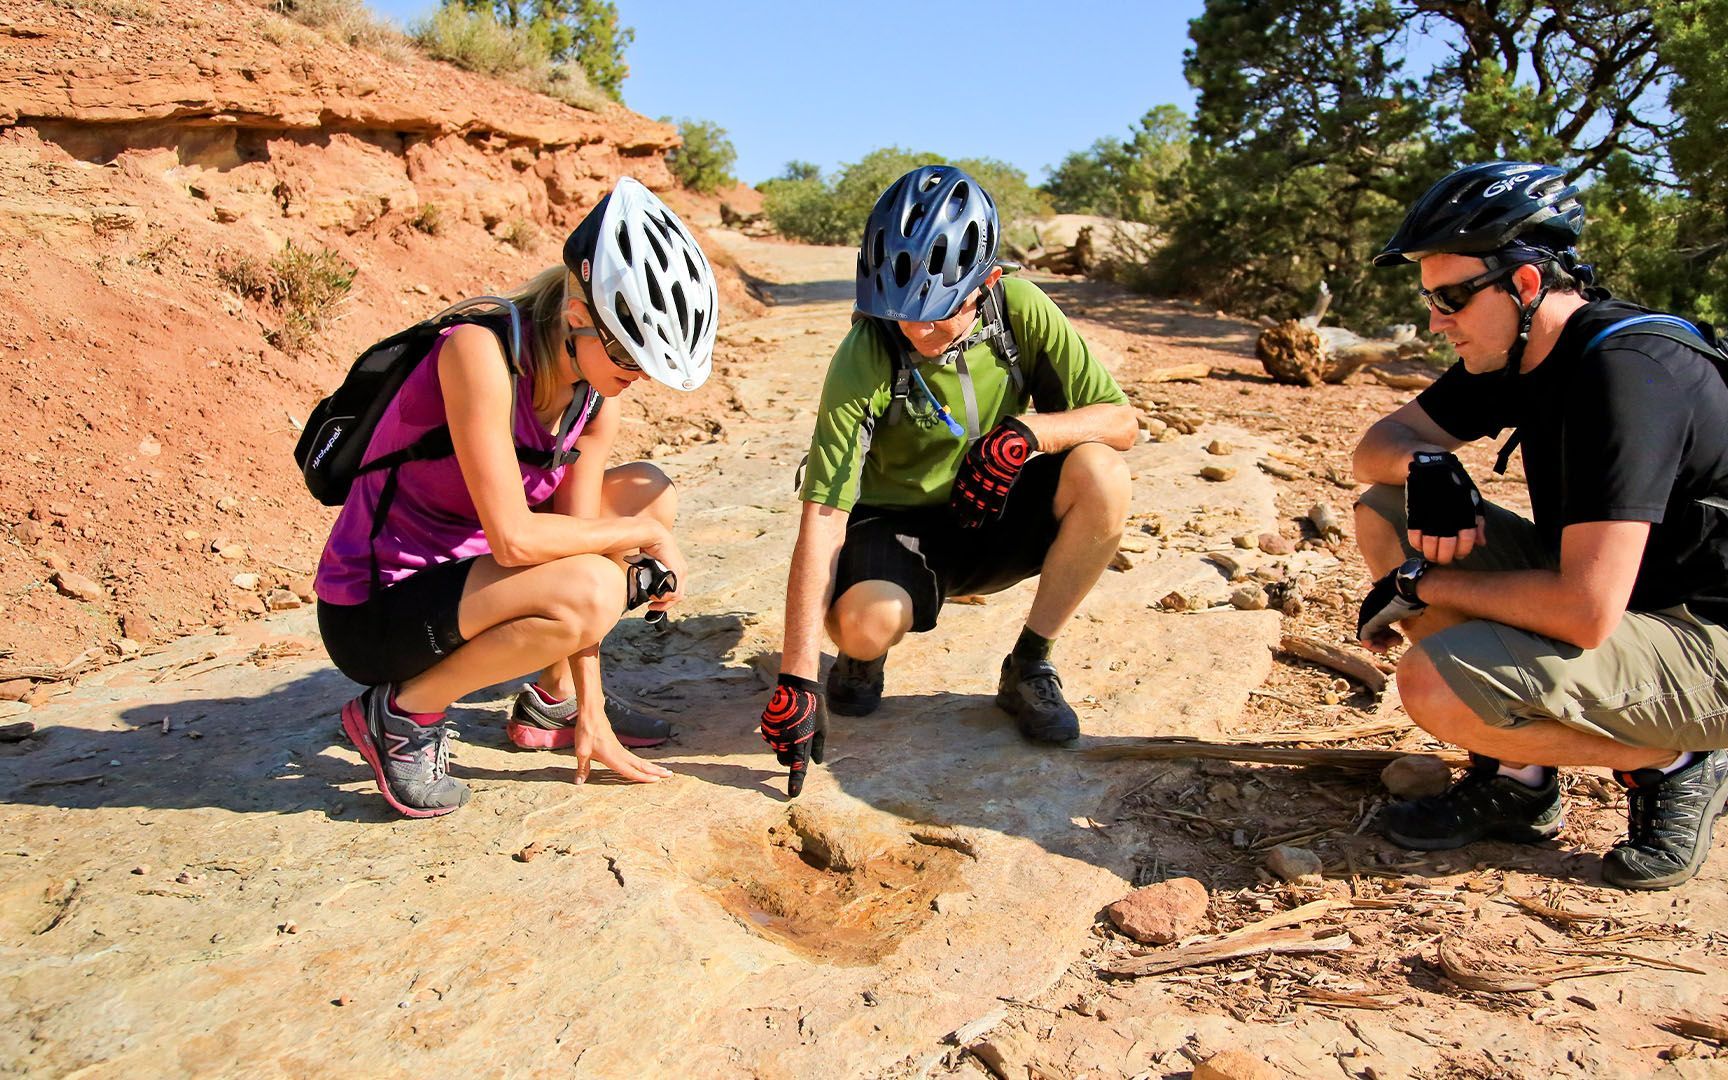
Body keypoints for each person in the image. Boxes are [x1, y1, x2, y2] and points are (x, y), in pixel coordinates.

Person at [1351, 161, 1728, 889]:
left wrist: (1422, 583)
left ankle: (1678, 761)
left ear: (1525, 284)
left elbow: (1584, 611)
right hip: (1625, 608)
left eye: (1451, 298)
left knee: (1433, 683)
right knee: (1385, 508)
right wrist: (1431, 469)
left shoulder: (1625, 371)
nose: (1436, 320)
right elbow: (1375, 451)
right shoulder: (1519, 349)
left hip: (1719, 645)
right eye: (1431, 298)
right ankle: (1519, 780)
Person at [313, 177, 717, 818]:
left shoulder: (592, 397)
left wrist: (593, 713)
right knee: (606, 565)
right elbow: (519, 540)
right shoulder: (479, 352)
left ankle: (550, 704)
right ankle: (399, 714)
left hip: (475, 586)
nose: (639, 377)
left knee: (645, 492)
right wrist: (643, 538)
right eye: (630, 355)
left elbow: (580, 544)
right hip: (378, 606)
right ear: (580, 317)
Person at [758, 164, 1137, 795]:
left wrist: (1029, 434)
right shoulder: (866, 351)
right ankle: (860, 660)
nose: (916, 331)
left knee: (1104, 472)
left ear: (986, 283)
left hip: (995, 506)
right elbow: (823, 515)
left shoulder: (1020, 310)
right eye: (901, 312)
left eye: (936, 314)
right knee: (866, 621)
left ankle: (1029, 666)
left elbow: (1120, 420)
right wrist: (796, 676)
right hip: (897, 524)